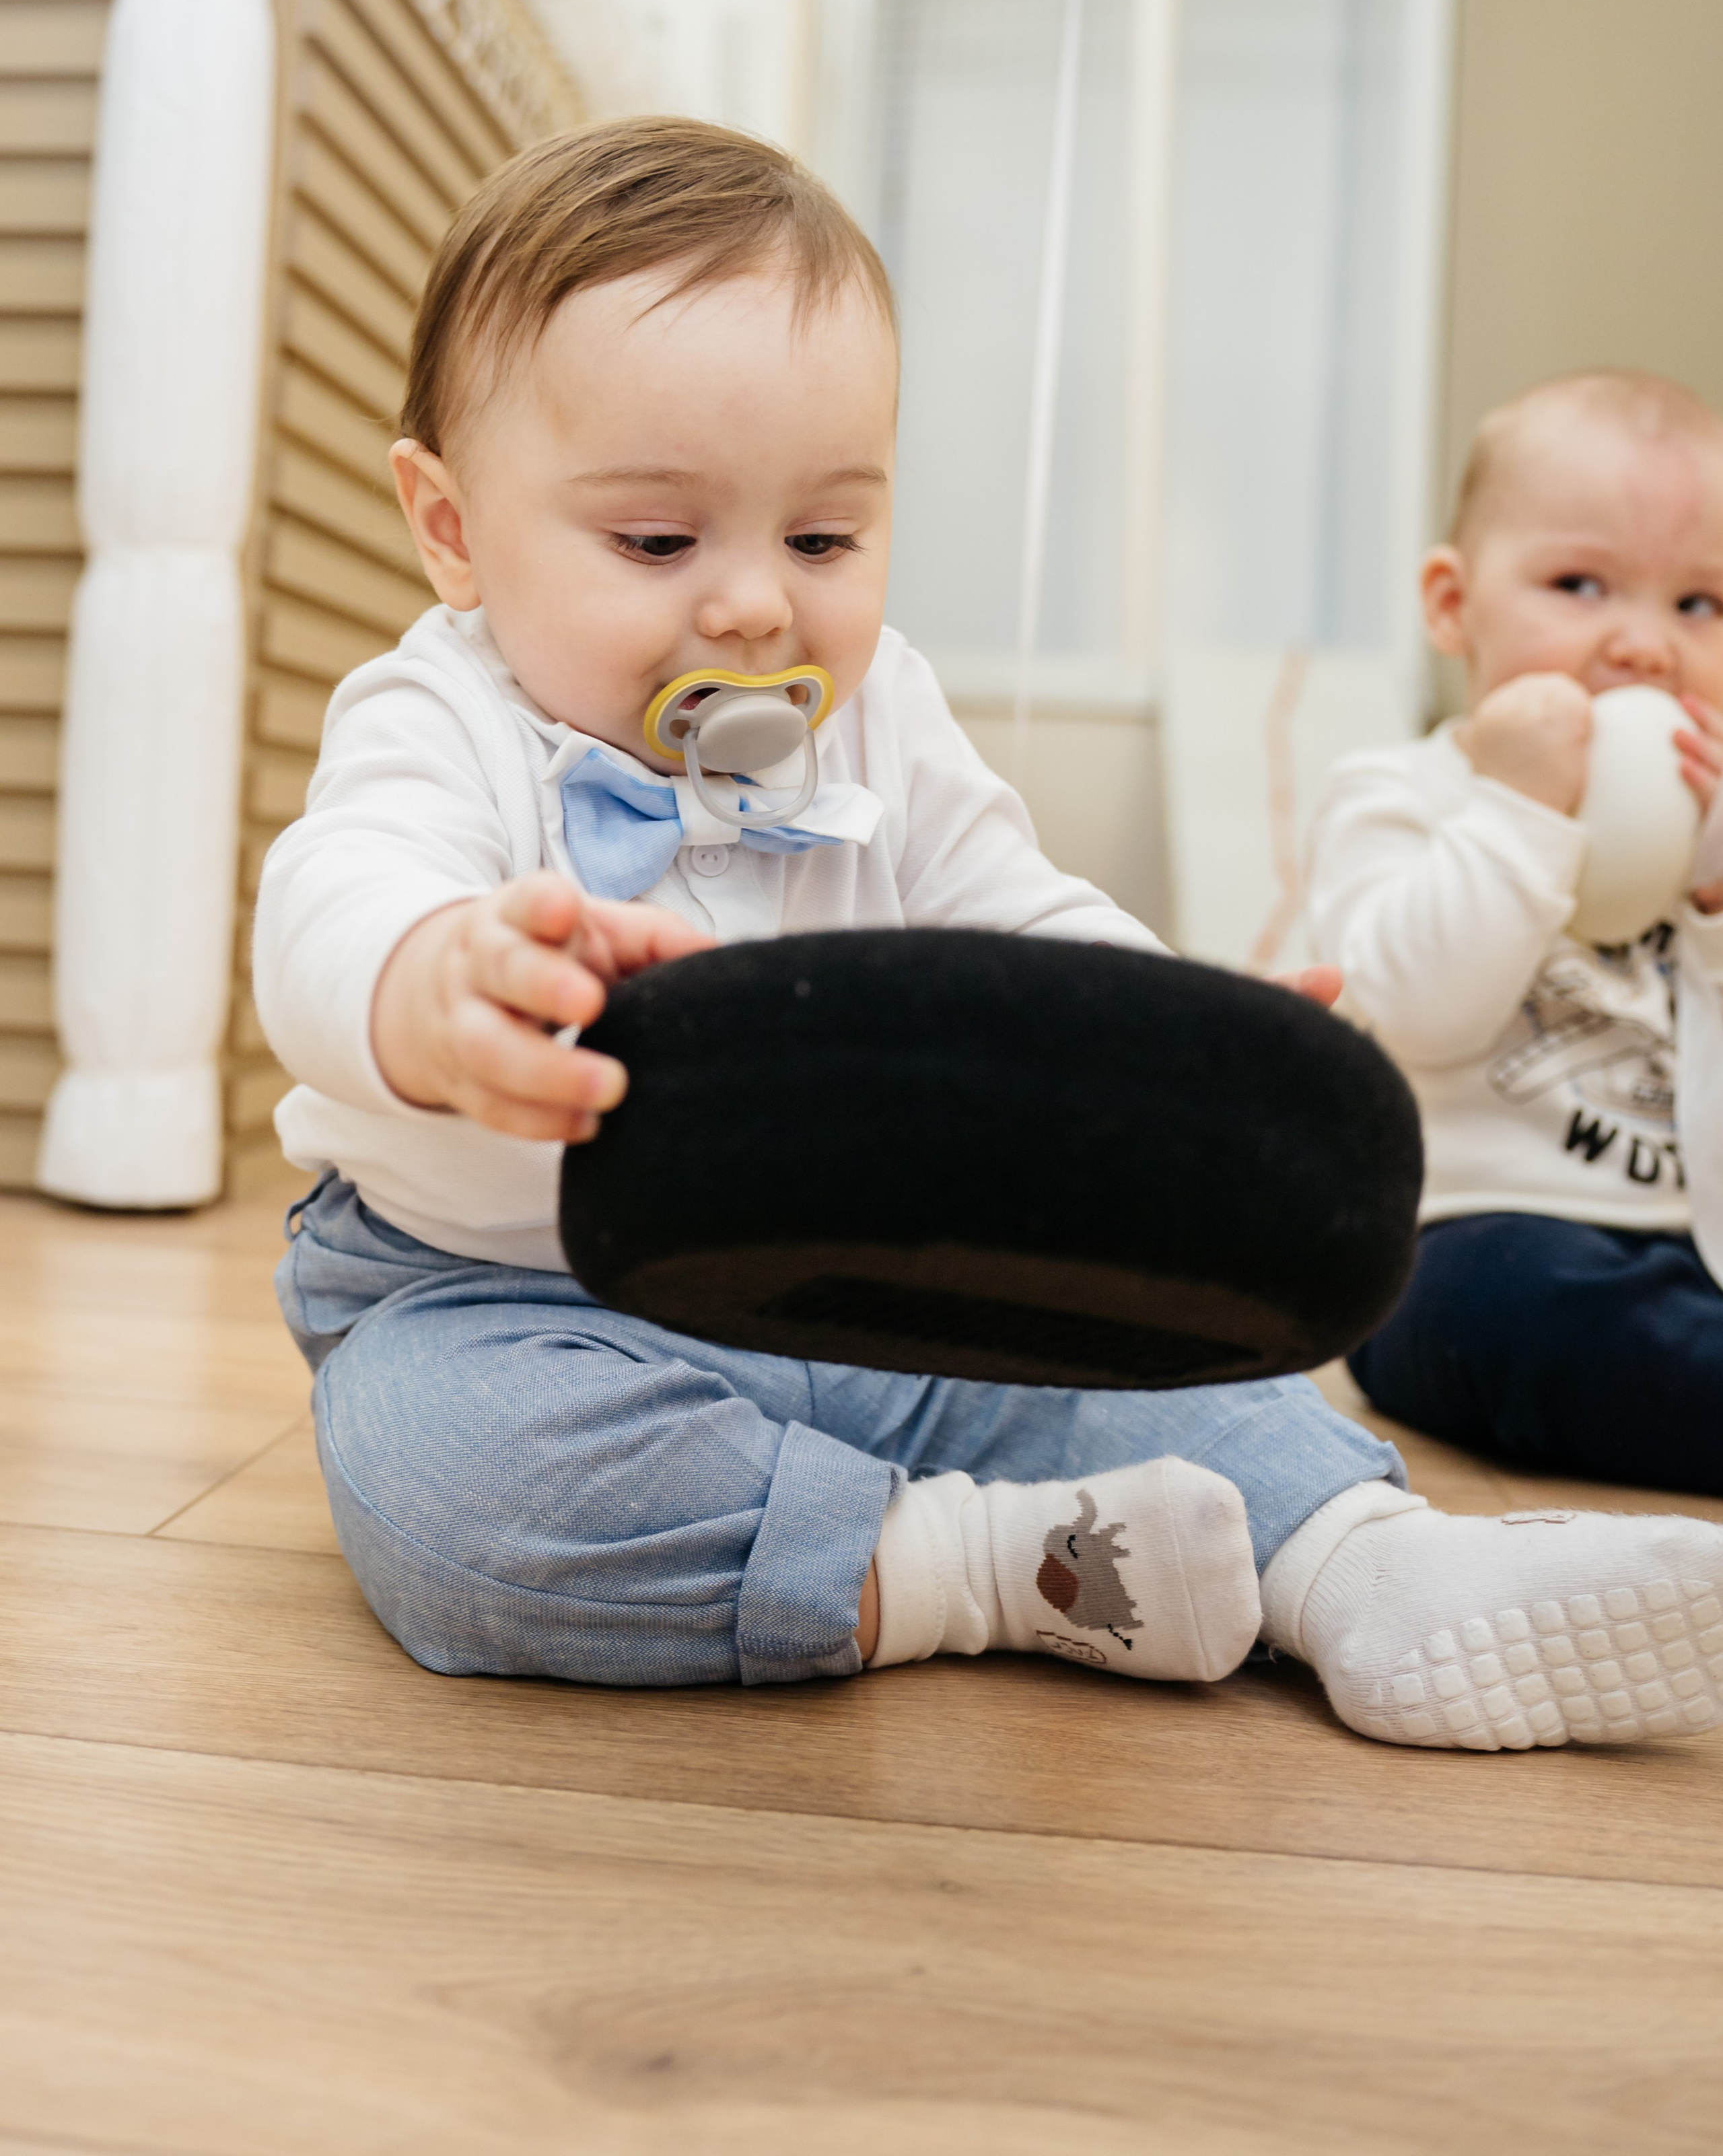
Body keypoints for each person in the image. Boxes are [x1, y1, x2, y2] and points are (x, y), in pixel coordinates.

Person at [257, 135, 1723, 1753]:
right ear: (452, 527)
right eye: (658, 544)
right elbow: (330, 898)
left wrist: (1168, 1027)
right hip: (504, 1299)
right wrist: (428, 979)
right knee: (444, 1474)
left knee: (1139, 1362)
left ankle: (1372, 1574)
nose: (754, 609)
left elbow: (1016, 911)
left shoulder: (880, 713)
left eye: (823, 542)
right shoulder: (439, 712)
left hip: (854, 1288)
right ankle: (997, 1569)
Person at [1312, 368, 1723, 1509]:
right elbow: (1422, 1011)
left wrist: (1716, 916)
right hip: (1476, 1241)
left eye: (1700, 605)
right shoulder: (1402, 792)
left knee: (1660, 1328)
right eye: (1580, 584)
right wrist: (1521, 809)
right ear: (1454, 604)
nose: (1644, 644)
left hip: (1695, 1250)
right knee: (1516, 1305)